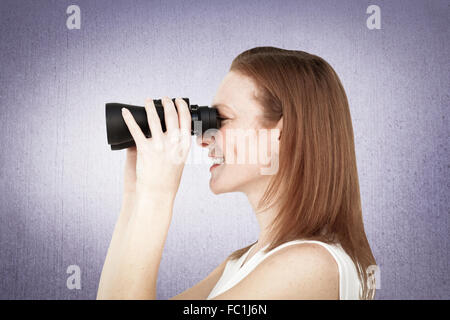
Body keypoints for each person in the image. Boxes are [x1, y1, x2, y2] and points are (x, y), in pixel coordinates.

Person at [96, 46, 377, 300]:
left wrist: (157, 197)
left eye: (223, 119)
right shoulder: (242, 263)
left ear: (282, 134)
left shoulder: (312, 266)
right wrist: (135, 197)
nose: (203, 138)